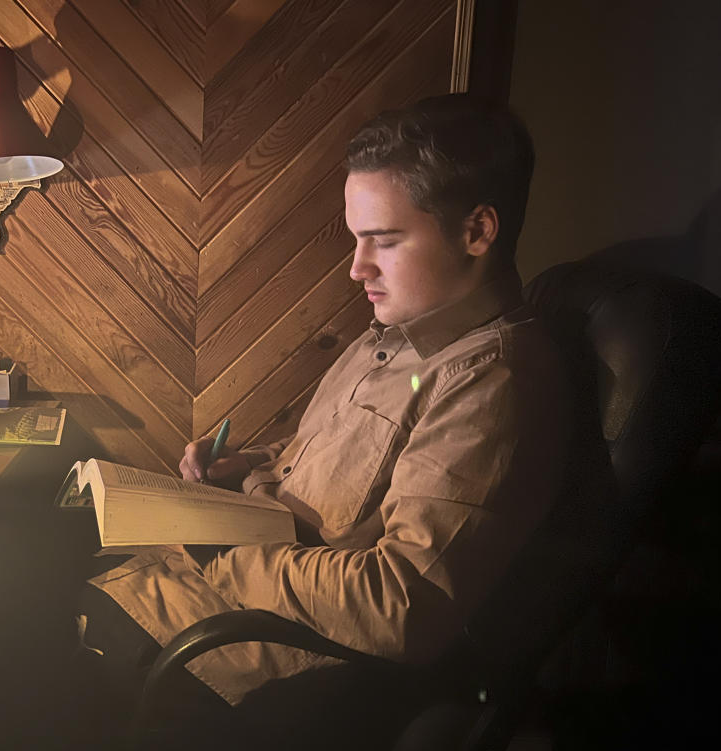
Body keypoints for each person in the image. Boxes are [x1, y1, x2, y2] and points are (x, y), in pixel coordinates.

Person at [77, 93, 576, 711]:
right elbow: (365, 458)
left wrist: (232, 557)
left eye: (382, 240)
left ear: (477, 231)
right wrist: (254, 463)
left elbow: (401, 606)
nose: (356, 268)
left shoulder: (492, 382)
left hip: (254, 654)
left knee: (5, 654)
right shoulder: (399, 338)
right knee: (17, 574)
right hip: (206, 591)